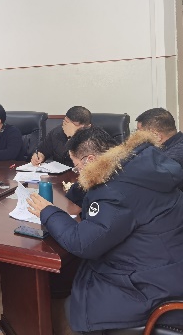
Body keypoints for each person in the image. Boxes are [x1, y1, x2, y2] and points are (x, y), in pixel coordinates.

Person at [27, 127, 183, 334]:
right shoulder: (139, 166)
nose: (78, 172)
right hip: (167, 266)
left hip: (149, 287)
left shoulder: (117, 191)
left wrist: (48, 212)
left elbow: (83, 243)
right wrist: (85, 185)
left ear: (90, 160)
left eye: (77, 167)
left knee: (74, 306)